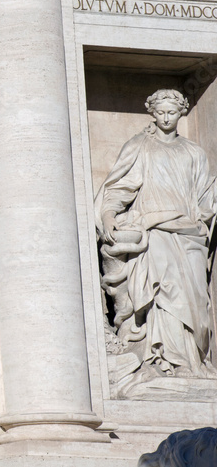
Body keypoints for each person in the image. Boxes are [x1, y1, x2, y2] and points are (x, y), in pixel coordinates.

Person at [95, 89, 215, 380]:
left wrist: (201, 221)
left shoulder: (193, 152)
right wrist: (109, 214)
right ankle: (163, 360)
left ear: (181, 113)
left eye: (171, 112)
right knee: (163, 293)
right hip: (155, 232)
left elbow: (204, 196)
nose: (165, 118)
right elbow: (120, 186)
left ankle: (193, 359)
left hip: (188, 235)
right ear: (152, 113)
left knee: (196, 299)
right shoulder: (139, 146)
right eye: (160, 112)